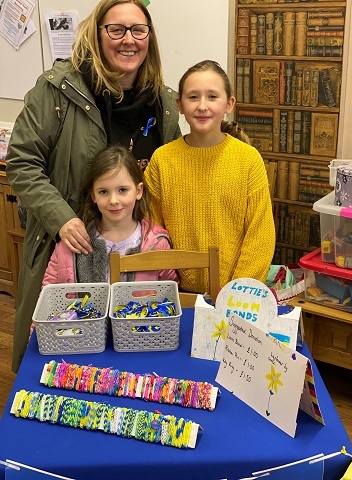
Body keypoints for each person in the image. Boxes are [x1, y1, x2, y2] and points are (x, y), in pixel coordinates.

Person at [6, 0, 181, 373]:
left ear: (150, 36)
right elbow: (22, 162)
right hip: (66, 248)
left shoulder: (163, 102)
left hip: (136, 253)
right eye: (115, 29)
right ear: (97, 33)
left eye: (138, 30)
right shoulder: (59, 90)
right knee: (60, 357)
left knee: (135, 359)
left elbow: (171, 172)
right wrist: (62, 219)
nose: (128, 40)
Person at [144, 59, 275, 296]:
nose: (202, 106)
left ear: (229, 104)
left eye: (212, 97)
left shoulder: (248, 159)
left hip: (234, 296)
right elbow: (152, 232)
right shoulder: (162, 160)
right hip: (175, 294)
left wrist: (237, 292)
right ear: (179, 105)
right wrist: (165, 285)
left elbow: (260, 234)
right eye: (193, 97)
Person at [42, 145, 179, 286]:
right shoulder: (73, 240)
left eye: (122, 190)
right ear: (93, 195)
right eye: (103, 192)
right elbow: (49, 294)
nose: (113, 201)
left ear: (138, 191)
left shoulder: (158, 243)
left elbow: (169, 296)